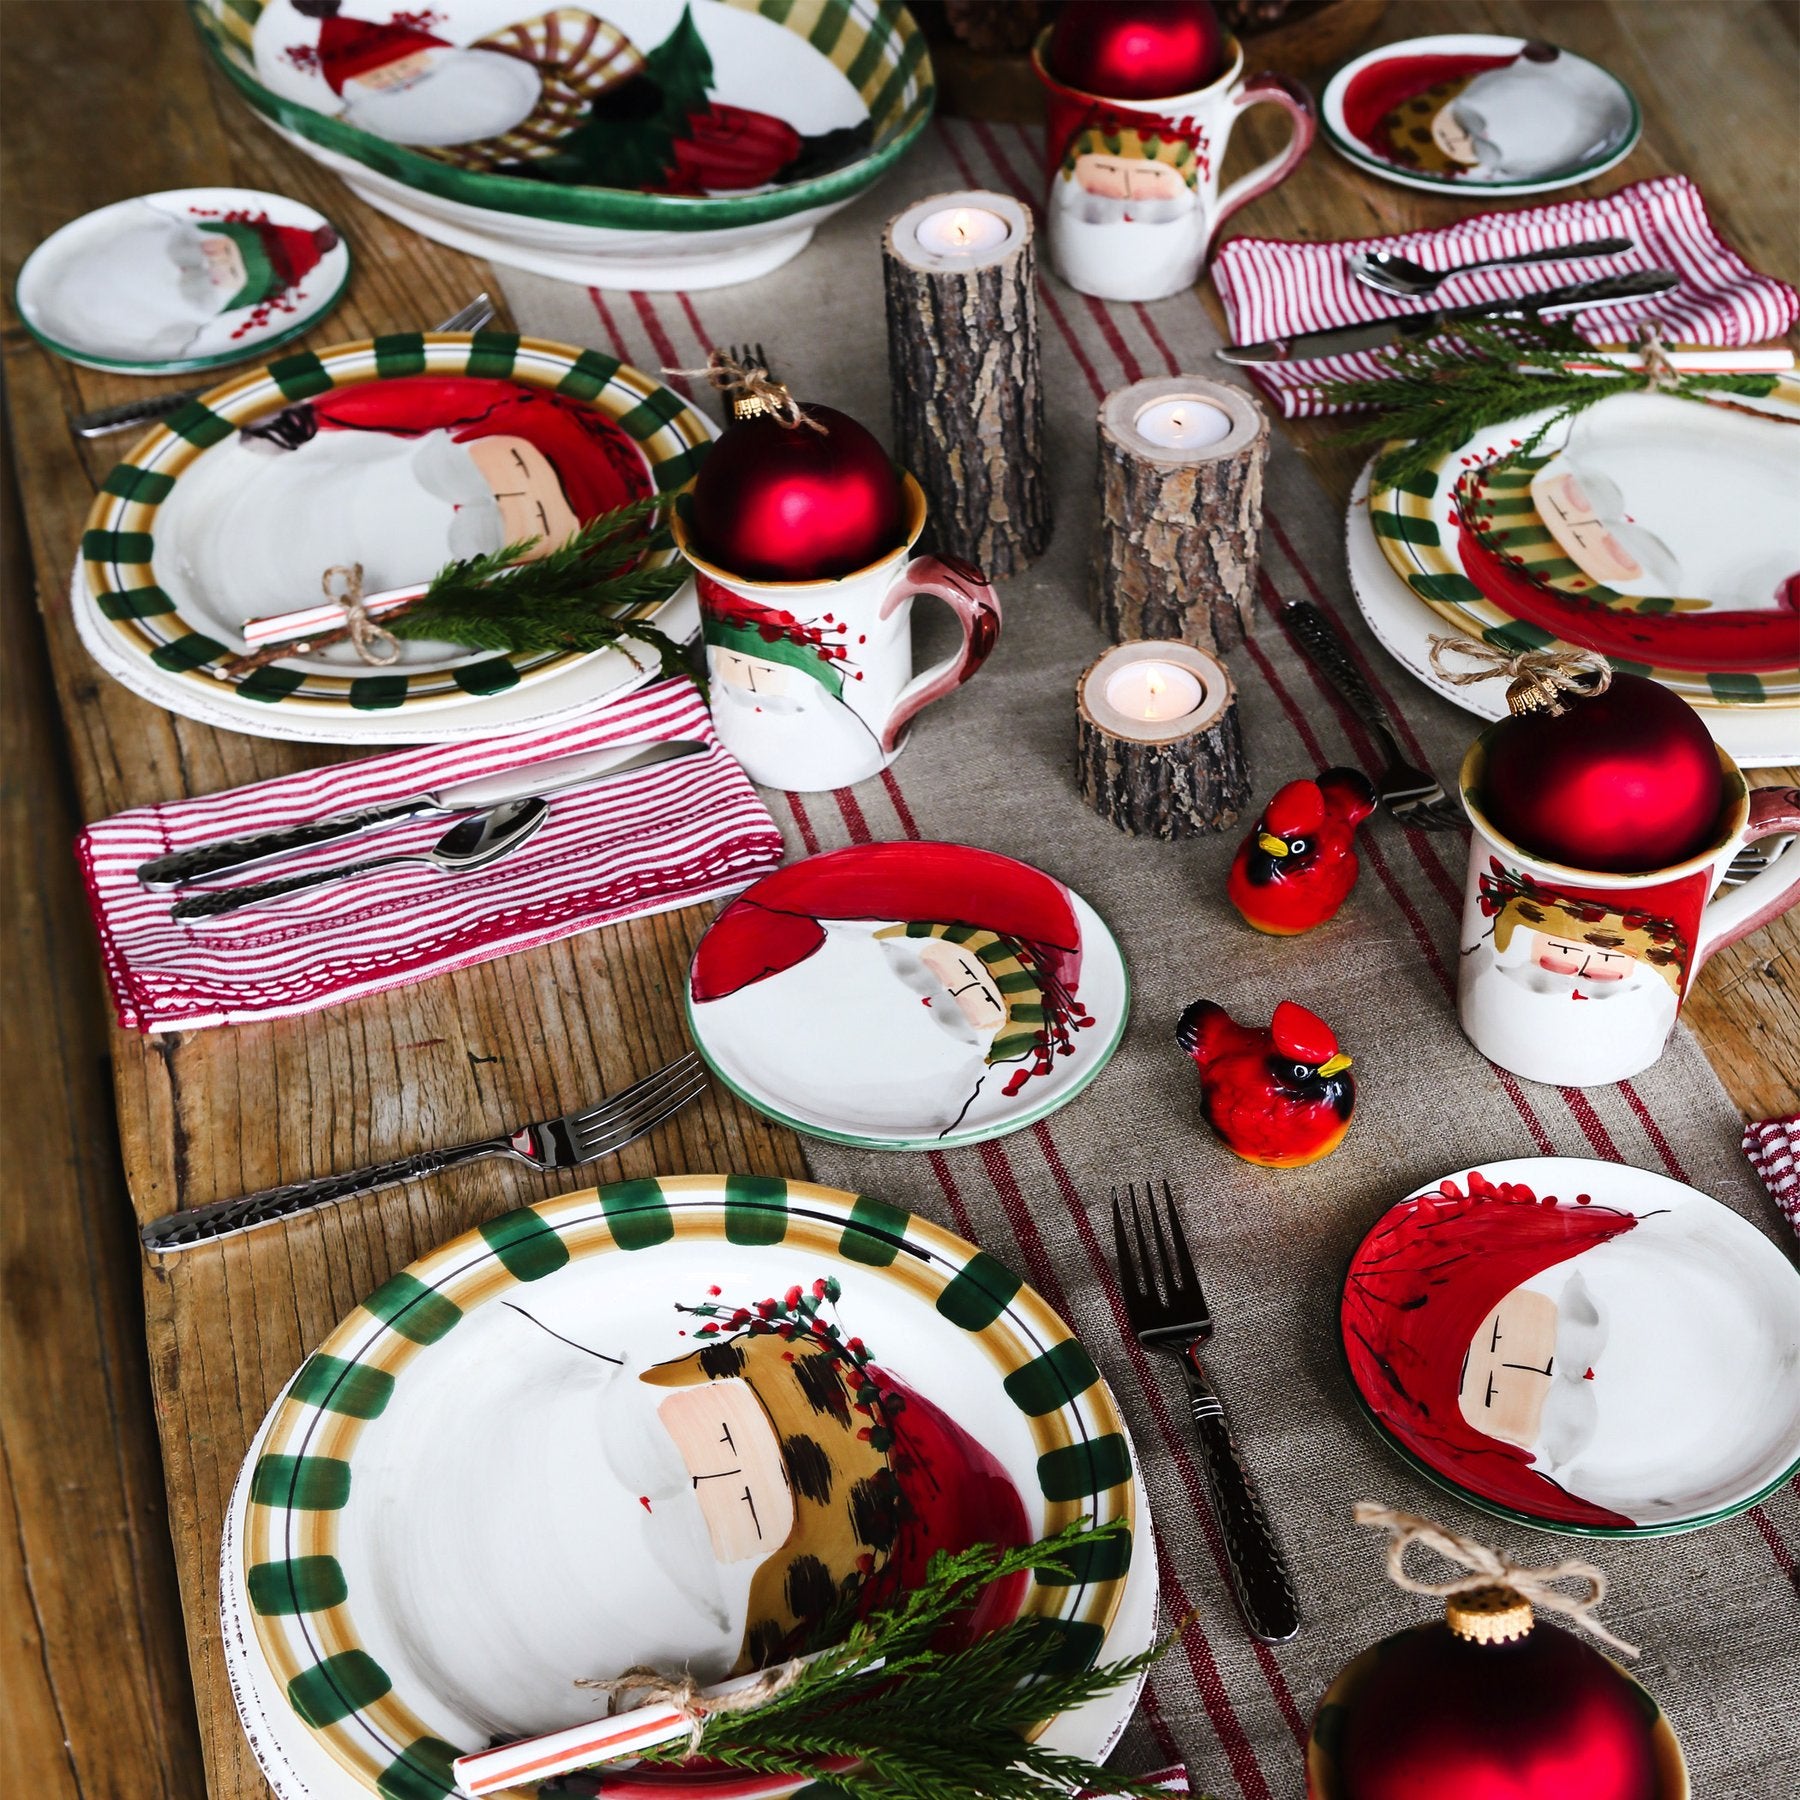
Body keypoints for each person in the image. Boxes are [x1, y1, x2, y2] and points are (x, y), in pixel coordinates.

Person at [151, 376, 651, 631]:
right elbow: (429, 403)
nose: (511, 490)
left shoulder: (524, 437)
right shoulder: (527, 424)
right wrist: (317, 416)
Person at [689, 844, 1094, 1139]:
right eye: (919, 969)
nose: (931, 997)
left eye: (976, 1000)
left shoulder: (941, 1084)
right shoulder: (803, 966)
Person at [272, 0, 868, 190]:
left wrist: (618, 84)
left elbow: (569, 29)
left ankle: (809, 147)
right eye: (379, 83)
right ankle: (770, 179)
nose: (397, 82)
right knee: (670, 173)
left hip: (598, 111)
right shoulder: (381, 122)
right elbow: (380, 151)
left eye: (399, 67)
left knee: (705, 128)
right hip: (560, 158)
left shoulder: (499, 51)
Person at [1458, 862, 1685, 1090]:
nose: (1580, 977)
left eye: (1606, 960)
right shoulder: (1491, 966)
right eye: (1564, 952)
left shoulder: (1647, 1006)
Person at [46, 200, 336, 362]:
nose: (212, 263)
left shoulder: (167, 330)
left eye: (232, 273)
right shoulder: (130, 229)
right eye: (222, 250)